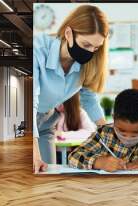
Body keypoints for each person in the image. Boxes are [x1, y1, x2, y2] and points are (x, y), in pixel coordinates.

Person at [33, 5, 109, 173]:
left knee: (49, 174)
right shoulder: (38, 50)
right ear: (69, 34)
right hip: (30, 121)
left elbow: (89, 98)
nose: (90, 52)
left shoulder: (86, 64)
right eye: (86, 44)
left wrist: (107, 132)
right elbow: (32, 103)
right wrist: (35, 155)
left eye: (95, 48)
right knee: (34, 169)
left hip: (47, 123)